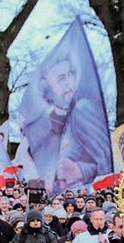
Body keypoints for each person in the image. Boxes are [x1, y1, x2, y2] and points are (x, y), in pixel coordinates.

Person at [16, 52, 112, 195]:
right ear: (48, 91)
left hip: (89, 199)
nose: (69, 81)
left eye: (70, 74)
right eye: (61, 79)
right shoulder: (52, 125)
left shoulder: (82, 109)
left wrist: (80, 170)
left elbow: (107, 161)